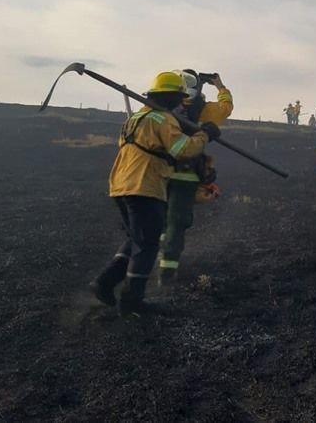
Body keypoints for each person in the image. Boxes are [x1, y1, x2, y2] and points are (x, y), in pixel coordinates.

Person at [89, 71, 221, 315]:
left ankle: (104, 283)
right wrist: (206, 135)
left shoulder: (137, 118)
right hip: (144, 185)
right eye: (179, 98)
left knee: (137, 239)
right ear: (170, 96)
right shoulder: (162, 119)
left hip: (121, 183)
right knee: (148, 245)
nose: (182, 103)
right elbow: (182, 149)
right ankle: (131, 302)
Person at [157, 70, 234, 286]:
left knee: (159, 215)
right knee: (177, 220)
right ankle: (167, 271)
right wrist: (220, 86)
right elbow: (226, 108)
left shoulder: (162, 107)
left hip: (158, 171)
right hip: (187, 172)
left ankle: (156, 251)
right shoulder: (207, 110)